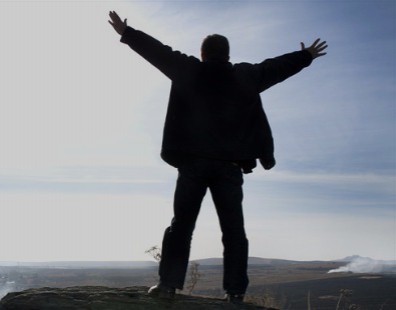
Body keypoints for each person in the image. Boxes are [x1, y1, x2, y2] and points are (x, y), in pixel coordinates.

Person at [108, 11, 327, 303]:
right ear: (227, 55)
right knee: (233, 231)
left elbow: (158, 51)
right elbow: (275, 68)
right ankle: (235, 293)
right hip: (229, 167)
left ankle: (168, 286)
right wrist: (306, 56)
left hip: (193, 164)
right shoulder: (245, 76)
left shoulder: (189, 70)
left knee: (181, 226)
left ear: (203, 54)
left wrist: (127, 31)